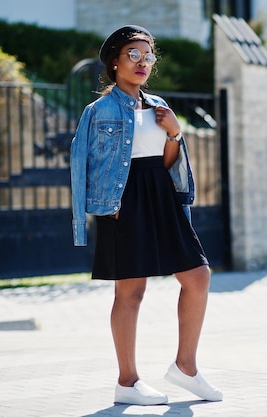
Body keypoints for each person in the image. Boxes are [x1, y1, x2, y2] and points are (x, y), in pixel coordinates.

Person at [70, 24, 222, 406]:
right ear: (115, 62)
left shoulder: (158, 106)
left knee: (198, 276)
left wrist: (174, 134)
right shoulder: (98, 110)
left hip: (163, 197)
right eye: (133, 55)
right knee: (131, 291)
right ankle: (127, 381)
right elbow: (80, 165)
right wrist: (97, 211)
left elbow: (167, 163)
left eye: (148, 55)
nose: (142, 62)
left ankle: (185, 366)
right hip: (124, 200)